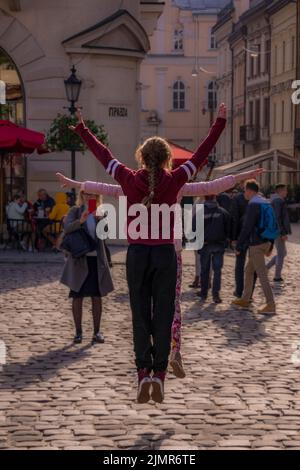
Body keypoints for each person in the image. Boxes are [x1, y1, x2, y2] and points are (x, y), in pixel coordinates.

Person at [68, 104, 227, 404]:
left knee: (140, 315)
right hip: (166, 254)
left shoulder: (128, 178)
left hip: (137, 255)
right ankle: (160, 375)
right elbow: (202, 153)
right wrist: (219, 122)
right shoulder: (176, 179)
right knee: (164, 316)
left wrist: (82, 130)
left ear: (141, 157)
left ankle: (143, 373)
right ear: (167, 159)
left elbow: (105, 157)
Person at [60, 191, 114, 344]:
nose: (90, 197)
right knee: (77, 296)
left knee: (97, 296)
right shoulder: (75, 211)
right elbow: (67, 228)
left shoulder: (100, 212)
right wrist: (81, 221)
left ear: (97, 197)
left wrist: (100, 221)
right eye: (86, 195)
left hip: (96, 261)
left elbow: (105, 236)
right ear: (82, 196)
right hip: (79, 260)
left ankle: (97, 332)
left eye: (93, 195)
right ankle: (78, 333)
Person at [232, 180, 277, 315]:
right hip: (265, 242)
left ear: (250, 191)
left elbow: (247, 227)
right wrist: (270, 245)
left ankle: (271, 304)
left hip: (256, 244)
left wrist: (239, 245)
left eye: (245, 190)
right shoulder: (266, 202)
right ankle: (245, 299)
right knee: (249, 270)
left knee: (261, 274)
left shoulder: (253, 204)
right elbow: (274, 224)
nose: (244, 193)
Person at [197, 195, 231, 303]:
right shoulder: (222, 212)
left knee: (204, 270)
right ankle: (216, 295)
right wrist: (226, 241)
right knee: (217, 271)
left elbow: (193, 228)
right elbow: (228, 226)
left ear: (205, 198)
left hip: (205, 244)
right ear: (215, 198)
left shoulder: (200, 212)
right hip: (219, 244)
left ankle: (203, 293)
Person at [266, 184, 291, 282]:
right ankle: (277, 276)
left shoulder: (277, 200)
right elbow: (277, 218)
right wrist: (282, 233)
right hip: (278, 231)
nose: (287, 192)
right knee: (281, 253)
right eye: (285, 190)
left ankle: (266, 268)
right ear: (280, 191)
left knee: (283, 253)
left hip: (276, 230)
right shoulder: (278, 201)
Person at [230, 186, 249, 298]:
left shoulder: (237, 199)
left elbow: (234, 218)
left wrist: (233, 238)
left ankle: (239, 290)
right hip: (255, 238)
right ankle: (249, 292)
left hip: (241, 236)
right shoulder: (259, 197)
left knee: (240, 265)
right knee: (253, 266)